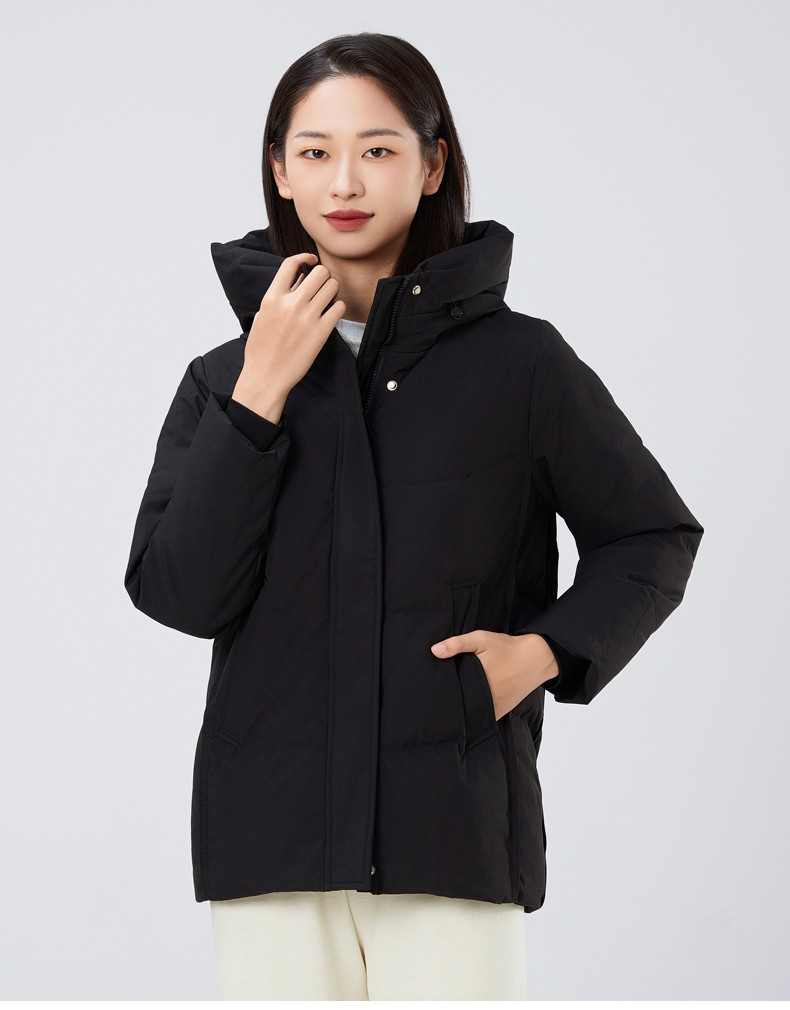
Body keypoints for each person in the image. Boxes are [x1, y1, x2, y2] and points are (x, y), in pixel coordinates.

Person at [123, 32, 704, 1001]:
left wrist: (542, 652)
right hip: (270, 838)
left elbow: (650, 535)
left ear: (432, 165)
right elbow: (181, 594)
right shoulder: (223, 380)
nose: (344, 180)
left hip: (453, 830)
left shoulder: (521, 365)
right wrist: (260, 393)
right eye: (315, 151)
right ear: (280, 170)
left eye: (379, 148)